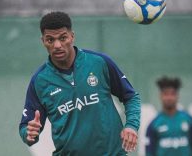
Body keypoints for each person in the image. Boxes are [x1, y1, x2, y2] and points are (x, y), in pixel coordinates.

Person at [19, 11, 141, 155]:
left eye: (63, 38)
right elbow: (26, 128)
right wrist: (29, 133)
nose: (57, 45)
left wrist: (131, 125)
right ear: (43, 41)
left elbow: (130, 97)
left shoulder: (99, 62)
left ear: (72, 36)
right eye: (50, 40)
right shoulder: (39, 81)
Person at [145, 76, 192, 156]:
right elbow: (149, 152)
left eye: (172, 94)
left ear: (177, 96)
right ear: (160, 96)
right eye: (166, 94)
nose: (169, 98)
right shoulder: (154, 124)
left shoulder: (189, 120)